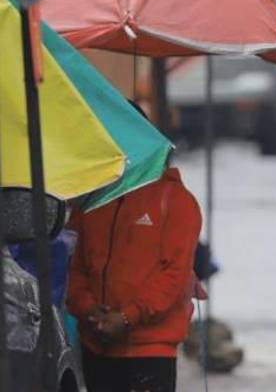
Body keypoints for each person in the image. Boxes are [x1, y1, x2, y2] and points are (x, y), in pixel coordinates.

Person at [67, 156, 202, 392]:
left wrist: (128, 316)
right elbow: (73, 265)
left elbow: (174, 275)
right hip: (96, 343)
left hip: (151, 348)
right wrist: (89, 309)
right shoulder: (92, 200)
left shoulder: (175, 200)